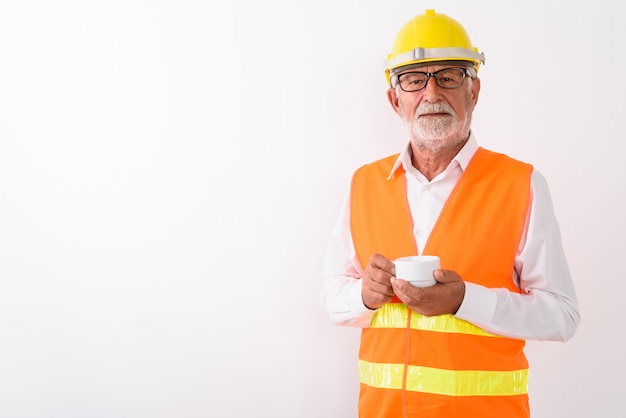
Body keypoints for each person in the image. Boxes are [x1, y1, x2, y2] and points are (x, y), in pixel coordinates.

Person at [320, 9, 580, 418]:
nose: (431, 94)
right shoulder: (363, 184)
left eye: (448, 76)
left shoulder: (521, 184)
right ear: (395, 100)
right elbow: (332, 298)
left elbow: (562, 316)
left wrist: (465, 300)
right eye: (413, 79)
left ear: (473, 91)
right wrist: (362, 296)